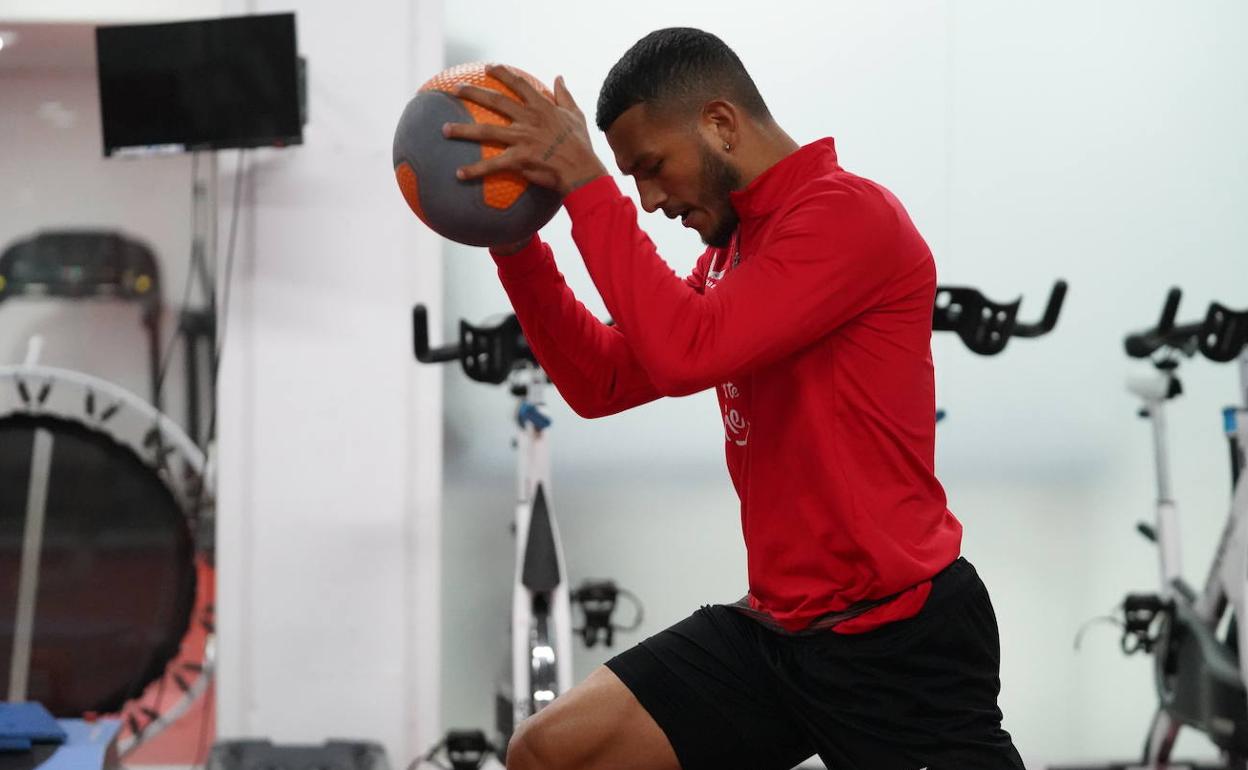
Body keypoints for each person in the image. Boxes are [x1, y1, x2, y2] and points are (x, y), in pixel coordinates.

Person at [442, 27, 1024, 770]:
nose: (648, 201)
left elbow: (689, 353)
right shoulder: (731, 252)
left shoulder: (848, 217)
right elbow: (602, 381)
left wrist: (587, 184)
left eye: (650, 169)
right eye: (630, 181)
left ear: (720, 124)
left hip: (895, 641)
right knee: (554, 754)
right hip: (779, 634)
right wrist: (515, 241)